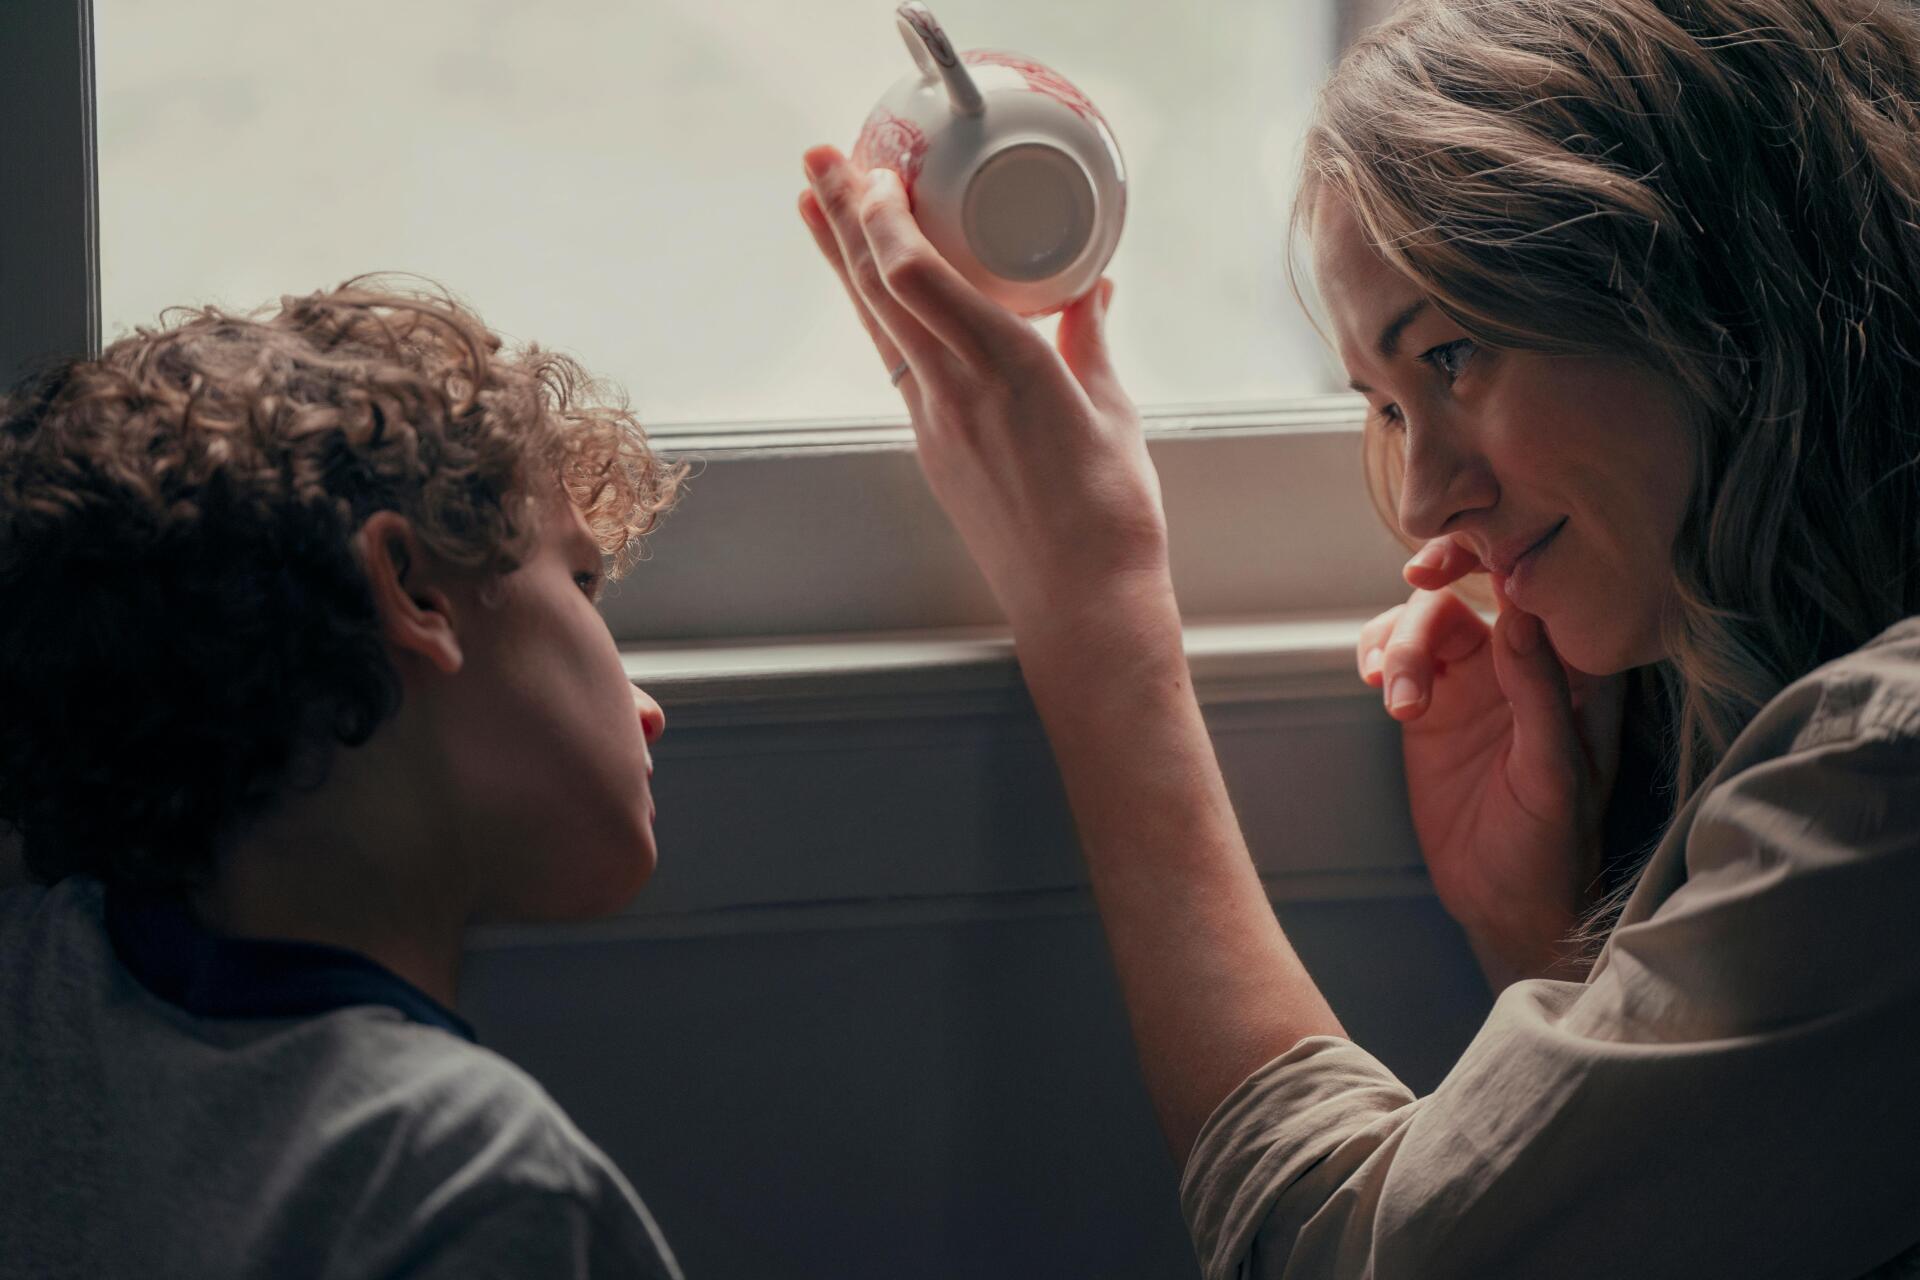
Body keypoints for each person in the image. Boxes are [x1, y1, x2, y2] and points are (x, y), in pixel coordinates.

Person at [796, 0, 1920, 1274]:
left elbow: (1356, 1252)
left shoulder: (1886, 781)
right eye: (1384, 404)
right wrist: (1550, 943)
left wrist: (1093, 619)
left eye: (1453, 353)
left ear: (1714, 285)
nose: (1430, 495)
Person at [0, 280, 688, 1278]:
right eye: (579, 581)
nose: (647, 705)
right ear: (412, 592)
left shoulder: (32, 979)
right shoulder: (476, 1185)